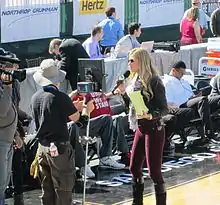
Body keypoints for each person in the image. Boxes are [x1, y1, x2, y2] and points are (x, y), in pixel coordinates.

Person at [30, 59, 92, 205]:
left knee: (47, 189)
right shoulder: (61, 98)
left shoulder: (35, 97)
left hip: (42, 148)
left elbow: (49, 112)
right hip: (59, 149)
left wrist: (69, 102)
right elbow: (80, 122)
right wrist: (86, 110)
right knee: (63, 189)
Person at [119, 48, 168, 205]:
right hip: (140, 127)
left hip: (154, 127)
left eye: (132, 60)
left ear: (141, 61)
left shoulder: (154, 81)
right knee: (134, 167)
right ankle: (137, 202)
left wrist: (151, 114)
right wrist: (122, 94)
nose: (129, 63)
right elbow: (131, 106)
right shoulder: (134, 80)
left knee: (154, 172)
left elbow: (164, 108)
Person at [163, 61, 220, 140]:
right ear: (173, 70)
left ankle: (213, 129)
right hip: (180, 105)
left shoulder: (184, 81)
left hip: (190, 102)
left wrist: (195, 97)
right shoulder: (167, 83)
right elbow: (169, 101)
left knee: (210, 99)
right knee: (202, 100)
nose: (182, 75)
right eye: (181, 73)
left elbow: (190, 95)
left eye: (183, 73)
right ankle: (209, 132)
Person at [0, 54, 23, 205]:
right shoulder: (5, 87)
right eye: (10, 66)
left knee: (5, 179)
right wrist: (8, 87)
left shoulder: (10, 85)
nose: (14, 70)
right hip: (1, 140)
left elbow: (12, 110)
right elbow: (2, 110)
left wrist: (16, 134)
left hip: (8, 138)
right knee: (0, 180)